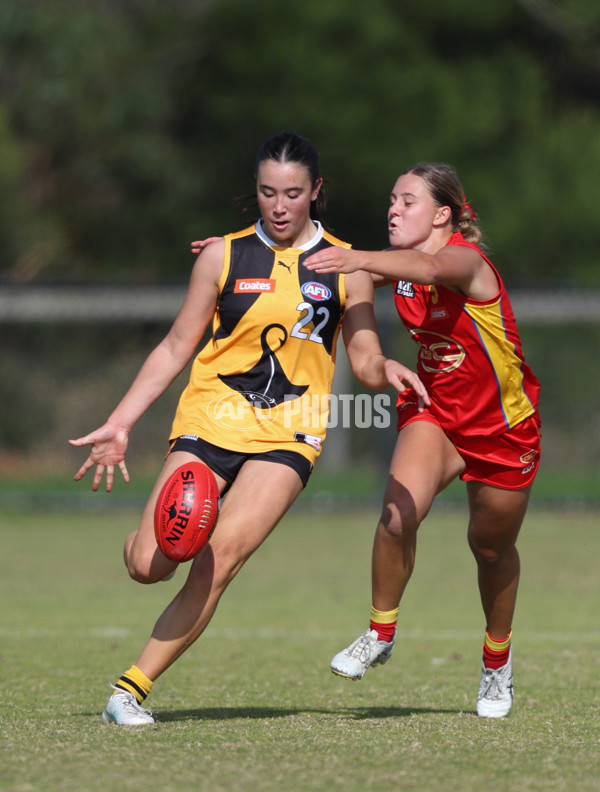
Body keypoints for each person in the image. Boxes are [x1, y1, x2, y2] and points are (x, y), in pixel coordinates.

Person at [69, 132, 429, 726]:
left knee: (221, 555)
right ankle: (139, 543)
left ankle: (128, 691)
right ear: (255, 193)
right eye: (268, 193)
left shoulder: (346, 265)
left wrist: (382, 367)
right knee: (150, 565)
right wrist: (120, 421)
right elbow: (175, 346)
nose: (280, 206)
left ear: (315, 191)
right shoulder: (223, 255)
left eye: (293, 193)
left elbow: (363, 352)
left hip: (291, 433)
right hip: (211, 420)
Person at [304, 162, 541, 718]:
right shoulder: (402, 269)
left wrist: (357, 259)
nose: (392, 208)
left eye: (407, 201)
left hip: (502, 428)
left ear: (442, 214)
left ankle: (496, 662)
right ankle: (379, 632)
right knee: (396, 516)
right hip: (433, 412)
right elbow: (334, 273)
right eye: (390, 199)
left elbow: (431, 266)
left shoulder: (463, 259)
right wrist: (248, 254)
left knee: (490, 549)